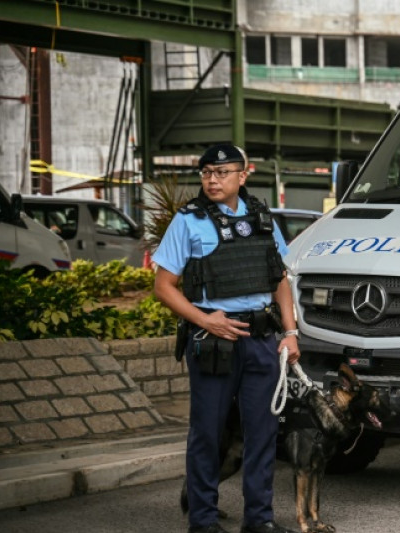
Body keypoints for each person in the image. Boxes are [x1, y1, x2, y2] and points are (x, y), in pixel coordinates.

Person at [153, 143, 300, 533]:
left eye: (221, 173)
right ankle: (202, 523)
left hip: (261, 337)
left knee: (263, 433)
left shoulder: (263, 217)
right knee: (208, 433)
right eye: (206, 173)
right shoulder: (188, 220)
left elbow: (279, 279)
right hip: (213, 340)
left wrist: (290, 332)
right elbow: (164, 286)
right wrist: (206, 319)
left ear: (243, 175)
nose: (212, 180)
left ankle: (260, 520)